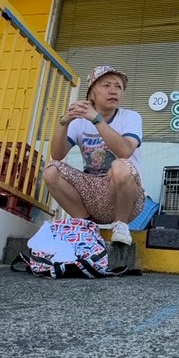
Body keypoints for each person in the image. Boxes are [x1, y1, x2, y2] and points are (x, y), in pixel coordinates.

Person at [43, 65, 145, 248]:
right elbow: (57, 155)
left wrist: (96, 119)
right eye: (106, 85)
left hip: (125, 199)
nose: (113, 91)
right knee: (50, 171)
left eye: (118, 87)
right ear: (92, 94)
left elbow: (125, 151)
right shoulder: (79, 122)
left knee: (120, 165)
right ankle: (87, 226)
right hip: (92, 195)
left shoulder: (131, 117)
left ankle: (121, 226)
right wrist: (64, 122)